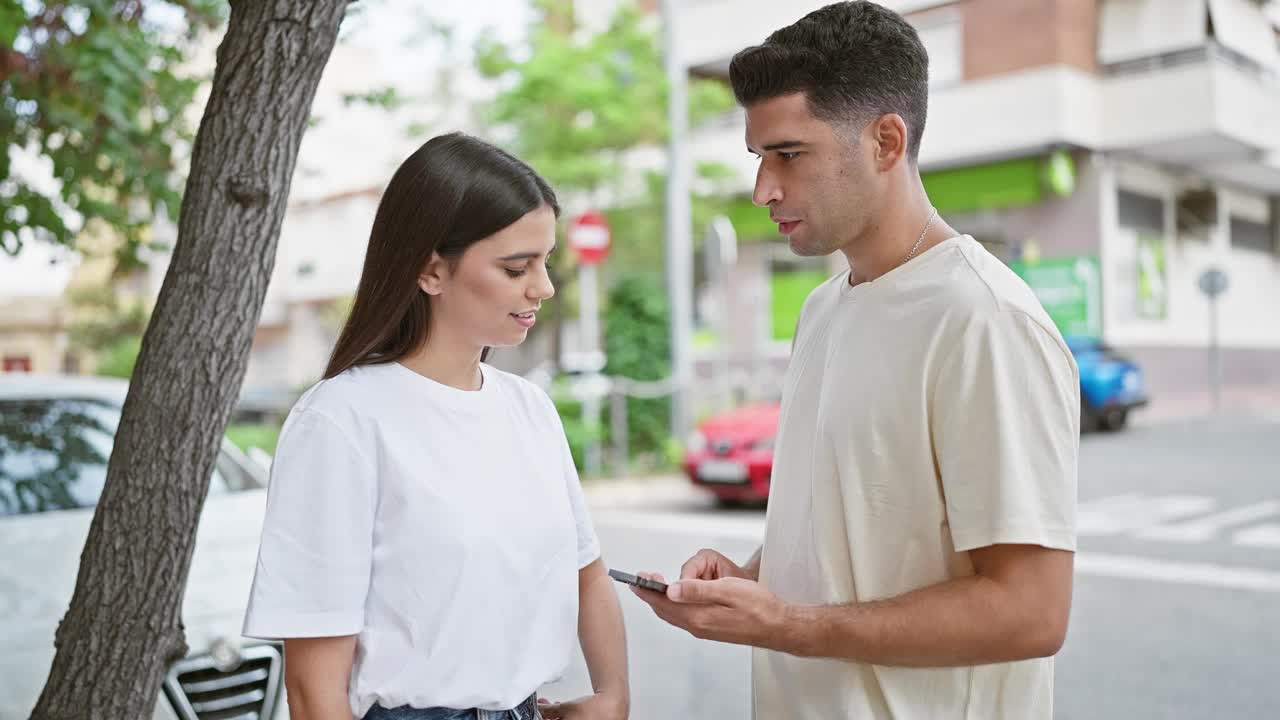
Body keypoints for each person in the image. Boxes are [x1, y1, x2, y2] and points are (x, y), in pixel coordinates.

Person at [631, 3, 1079, 719]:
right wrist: (752, 585)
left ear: (886, 142)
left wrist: (785, 627)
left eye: (789, 154)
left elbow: (1030, 613)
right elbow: (863, 535)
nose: (763, 190)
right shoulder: (824, 308)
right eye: (759, 159)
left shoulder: (983, 320)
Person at [242, 133, 629, 720]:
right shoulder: (340, 423)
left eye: (545, 261)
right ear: (430, 271)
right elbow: (313, 692)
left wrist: (613, 697)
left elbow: (588, 574)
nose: (542, 287)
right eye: (515, 267)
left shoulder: (529, 409)